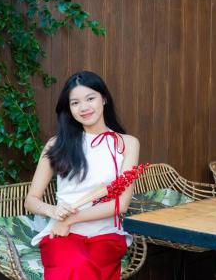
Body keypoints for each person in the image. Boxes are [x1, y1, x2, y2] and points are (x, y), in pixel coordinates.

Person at [24, 71, 140, 280]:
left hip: (106, 235)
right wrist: (53, 211)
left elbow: (120, 204)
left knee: (84, 267)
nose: (84, 107)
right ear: (69, 108)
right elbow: (31, 201)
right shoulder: (56, 144)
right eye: (75, 102)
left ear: (104, 99)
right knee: (77, 265)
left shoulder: (127, 143)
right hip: (61, 235)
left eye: (90, 98)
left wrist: (69, 220)